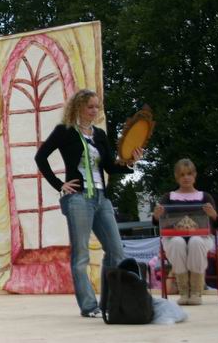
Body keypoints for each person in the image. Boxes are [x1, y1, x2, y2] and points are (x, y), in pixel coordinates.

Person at [35, 88, 141, 318]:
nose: (94, 111)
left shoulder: (99, 134)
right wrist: (59, 184)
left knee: (116, 251)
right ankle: (89, 306)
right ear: (78, 107)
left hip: (102, 197)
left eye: (96, 107)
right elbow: (40, 157)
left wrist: (130, 162)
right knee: (81, 254)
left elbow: (110, 166)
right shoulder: (65, 131)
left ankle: (109, 301)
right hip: (78, 199)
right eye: (90, 106)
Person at [152, 159, 218, 305]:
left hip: (201, 237)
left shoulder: (205, 197)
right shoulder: (168, 197)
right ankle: (183, 292)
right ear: (177, 177)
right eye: (182, 174)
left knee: (195, 241)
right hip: (173, 238)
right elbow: (157, 222)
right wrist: (157, 215)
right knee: (177, 243)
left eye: (189, 173)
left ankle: (196, 291)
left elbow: (216, 223)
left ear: (194, 175)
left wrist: (213, 214)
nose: (186, 177)